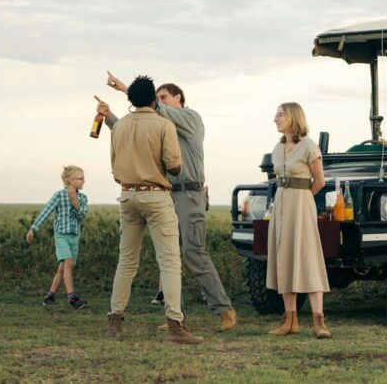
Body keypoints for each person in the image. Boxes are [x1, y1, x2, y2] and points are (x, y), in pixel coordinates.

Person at [98, 72, 237, 332]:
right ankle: (175, 316)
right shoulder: (160, 123)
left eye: (164, 97)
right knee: (169, 256)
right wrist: (110, 118)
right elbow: (133, 131)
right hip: (166, 193)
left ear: (179, 99)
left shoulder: (190, 118)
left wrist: (127, 90)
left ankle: (224, 309)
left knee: (192, 253)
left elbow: (150, 111)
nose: (159, 102)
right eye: (157, 97)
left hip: (189, 194)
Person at [104, 75, 204, 344]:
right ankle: (175, 324)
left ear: (130, 100)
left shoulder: (120, 126)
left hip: (127, 195)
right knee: (170, 262)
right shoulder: (163, 125)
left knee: (126, 261)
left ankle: (115, 321)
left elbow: (114, 168)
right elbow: (174, 166)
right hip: (156, 196)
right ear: (152, 99)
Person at [266, 102, 331, 339]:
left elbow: (320, 181)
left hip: (301, 204)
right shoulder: (277, 148)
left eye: (280, 114)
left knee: (308, 257)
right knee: (284, 257)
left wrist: (303, 199)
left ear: (293, 117)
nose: (275, 118)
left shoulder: (309, 146)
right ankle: (290, 320)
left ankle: (319, 320)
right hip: (281, 205)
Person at [26, 165, 89, 309]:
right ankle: (72, 297)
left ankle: (50, 296)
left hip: (74, 237)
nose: (84, 181)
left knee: (64, 268)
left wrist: (75, 203)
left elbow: (81, 217)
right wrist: (33, 229)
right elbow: (46, 212)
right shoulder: (59, 195)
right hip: (61, 236)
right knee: (68, 263)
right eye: (81, 178)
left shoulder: (83, 198)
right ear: (70, 180)